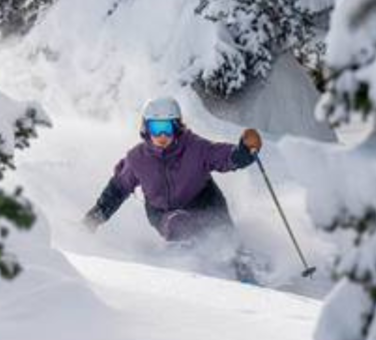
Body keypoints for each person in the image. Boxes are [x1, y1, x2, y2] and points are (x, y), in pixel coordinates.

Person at [83, 96, 262, 242]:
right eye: (156, 128)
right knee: (178, 224)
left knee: (222, 234)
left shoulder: (195, 147)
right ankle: (191, 267)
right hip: (163, 213)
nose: (161, 136)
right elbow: (117, 190)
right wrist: (93, 219)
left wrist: (244, 152)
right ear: (146, 128)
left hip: (204, 200)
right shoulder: (137, 159)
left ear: (176, 127)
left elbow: (223, 156)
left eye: (166, 128)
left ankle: (241, 263)